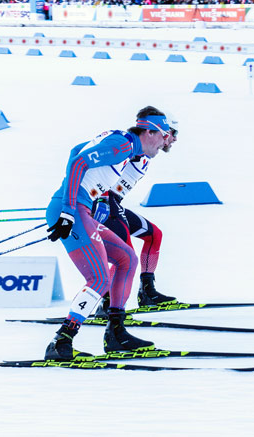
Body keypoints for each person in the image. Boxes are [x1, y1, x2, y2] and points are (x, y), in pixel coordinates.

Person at [44, 109, 172, 361]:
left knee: (127, 258)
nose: (164, 141)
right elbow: (78, 163)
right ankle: (61, 341)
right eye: (163, 135)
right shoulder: (123, 144)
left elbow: (76, 151)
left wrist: (91, 198)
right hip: (71, 208)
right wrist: (69, 208)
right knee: (99, 278)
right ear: (149, 131)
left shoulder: (127, 147)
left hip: (81, 208)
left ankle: (116, 333)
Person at [92, 106, 179, 316]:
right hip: (104, 203)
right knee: (125, 256)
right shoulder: (135, 148)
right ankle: (108, 305)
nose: (172, 140)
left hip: (115, 204)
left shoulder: (149, 152)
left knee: (154, 235)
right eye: (171, 134)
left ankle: (147, 292)